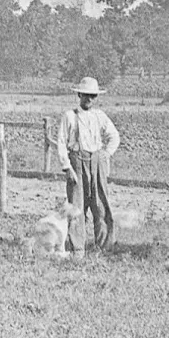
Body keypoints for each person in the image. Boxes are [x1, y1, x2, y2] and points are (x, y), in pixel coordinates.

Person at [57, 77, 120, 250]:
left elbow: (114, 136)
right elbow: (61, 143)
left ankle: (104, 247)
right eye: (85, 95)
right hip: (77, 163)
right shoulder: (69, 116)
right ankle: (78, 249)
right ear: (79, 95)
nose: (89, 99)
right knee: (77, 207)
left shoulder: (100, 116)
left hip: (97, 163)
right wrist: (67, 168)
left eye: (93, 96)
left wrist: (106, 154)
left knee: (100, 206)